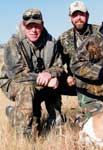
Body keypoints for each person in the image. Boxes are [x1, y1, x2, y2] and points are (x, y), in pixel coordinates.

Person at [0, 8, 65, 137]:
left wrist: (50, 74)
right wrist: (42, 77)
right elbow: (18, 74)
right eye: (29, 26)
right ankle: (24, 134)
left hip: (41, 82)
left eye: (37, 25)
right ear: (24, 26)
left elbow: (58, 67)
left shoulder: (52, 42)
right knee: (27, 88)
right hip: (13, 82)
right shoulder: (13, 43)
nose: (34, 30)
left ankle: (55, 123)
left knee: (56, 84)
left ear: (43, 24)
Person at [57, 0, 99, 95]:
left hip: (98, 79)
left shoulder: (100, 32)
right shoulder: (64, 38)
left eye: (82, 14)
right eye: (75, 15)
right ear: (70, 18)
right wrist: (66, 76)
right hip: (74, 82)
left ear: (87, 15)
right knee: (51, 84)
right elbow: (57, 64)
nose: (78, 18)